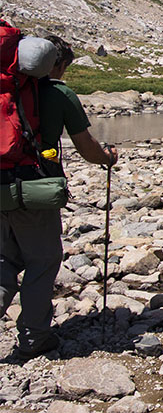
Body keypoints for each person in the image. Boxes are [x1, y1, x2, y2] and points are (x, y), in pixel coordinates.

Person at [1, 35, 117, 358]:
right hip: (35, 192)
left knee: (5, 261)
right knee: (42, 260)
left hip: (0, 187)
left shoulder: (7, 88)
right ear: (58, 64)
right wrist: (107, 157)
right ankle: (34, 337)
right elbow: (87, 147)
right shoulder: (59, 93)